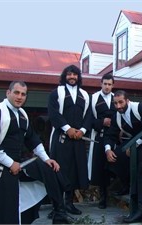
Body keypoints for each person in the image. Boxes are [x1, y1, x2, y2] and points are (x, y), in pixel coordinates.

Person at [0, 81, 74, 224]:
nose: (20, 97)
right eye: (16, 93)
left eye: (23, 94)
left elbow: (33, 140)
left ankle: (59, 211)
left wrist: (47, 159)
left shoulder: (22, 115)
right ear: (8, 93)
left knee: (49, 168)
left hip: (18, 162)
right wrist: (10, 163)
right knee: (8, 212)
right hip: (2, 165)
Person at [103, 90, 142, 223]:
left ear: (127, 101)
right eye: (115, 103)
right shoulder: (116, 116)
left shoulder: (139, 108)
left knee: (139, 162)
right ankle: (126, 184)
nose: (118, 106)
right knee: (115, 157)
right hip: (135, 144)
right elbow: (110, 135)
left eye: (121, 102)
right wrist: (108, 150)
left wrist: (134, 145)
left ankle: (141, 209)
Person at [48, 65, 91, 216]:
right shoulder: (56, 93)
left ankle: (69, 204)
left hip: (78, 139)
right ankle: (57, 207)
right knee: (58, 171)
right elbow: (53, 114)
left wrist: (82, 131)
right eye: (69, 74)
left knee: (73, 172)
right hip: (61, 138)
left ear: (78, 77)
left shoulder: (85, 95)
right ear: (64, 76)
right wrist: (68, 128)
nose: (72, 77)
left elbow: (89, 116)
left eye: (75, 74)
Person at [88, 73, 116, 209]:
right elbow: (88, 119)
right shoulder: (93, 98)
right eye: (105, 84)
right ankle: (103, 198)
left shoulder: (116, 98)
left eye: (110, 84)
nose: (107, 86)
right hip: (99, 136)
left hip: (113, 136)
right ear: (101, 84)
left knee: (114, 164)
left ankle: (116, 191)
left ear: (113, 85)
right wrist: (101, 122)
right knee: (100, 167)